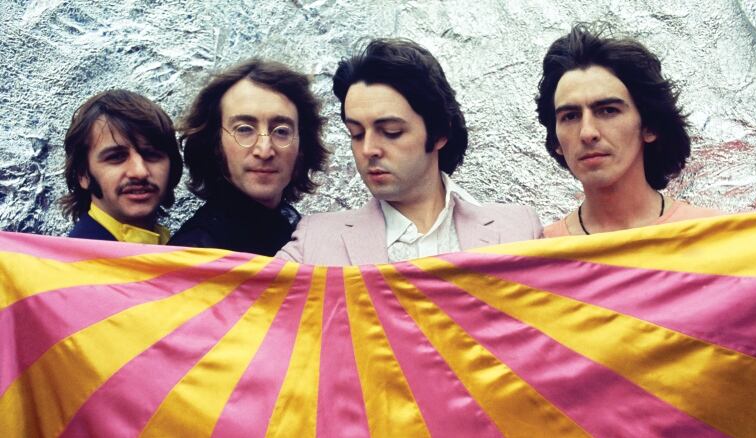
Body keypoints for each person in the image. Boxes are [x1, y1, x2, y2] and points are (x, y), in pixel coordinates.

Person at [277, 38, 542, 265]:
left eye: (391, 131)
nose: (368, 149)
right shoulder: (315, 241)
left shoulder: (518, 230)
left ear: (440, 133)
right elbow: (248, 306)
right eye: (356, 134)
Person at [536, 24, 721, 237]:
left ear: (649, 126)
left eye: (608, 111)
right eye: (569, 116)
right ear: (556, 141)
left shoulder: (713, 235)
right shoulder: (539, 254)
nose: (587, 133)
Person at [169, 59, 328, 255]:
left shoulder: (298, 230)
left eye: (281, 131)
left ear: (302, 146)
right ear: (215, 144)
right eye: (244, 129)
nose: (264, 150)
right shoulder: (193, 254)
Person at [61, 89, 183, 244]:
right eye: (116, 157)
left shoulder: (185, 251)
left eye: (151, 154)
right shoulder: (70, 265)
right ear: (83, 175)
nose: (140, 172)